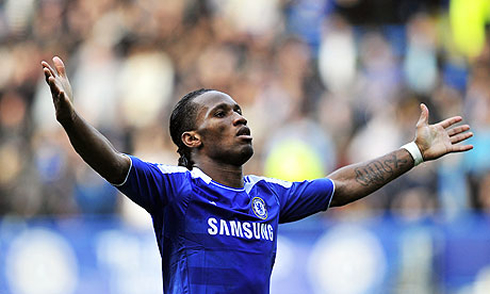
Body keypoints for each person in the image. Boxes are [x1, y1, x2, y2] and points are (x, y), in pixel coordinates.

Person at [41, 56, 473, 294]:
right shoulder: (174, 189)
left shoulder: (268, 195)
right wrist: (70, 118)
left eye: (240, 111)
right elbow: (113, 163)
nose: (239, 119)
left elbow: (343, 185)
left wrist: (415, 150)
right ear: (192, 138)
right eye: (222, 114)